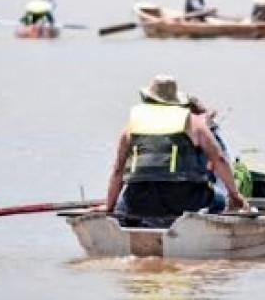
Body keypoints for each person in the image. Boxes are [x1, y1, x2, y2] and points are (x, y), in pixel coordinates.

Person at [104, 75, 249, 227]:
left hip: (139, 199)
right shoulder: (193, 122)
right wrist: (235, 195)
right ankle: (204, 230)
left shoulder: (131, 126)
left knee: (122, 208)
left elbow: (118, 170)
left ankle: (129, 228)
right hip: (182, 199)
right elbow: (219, 159)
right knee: (220, 200)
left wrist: (109, 206)